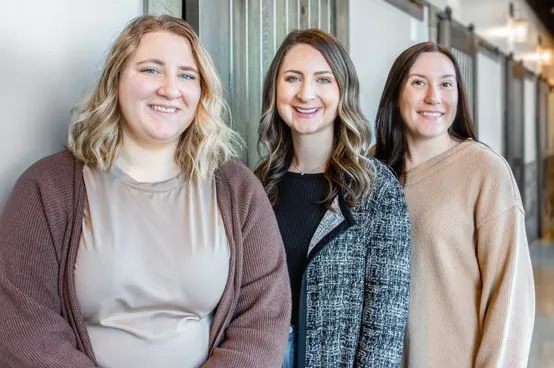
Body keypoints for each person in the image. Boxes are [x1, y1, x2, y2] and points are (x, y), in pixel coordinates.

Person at [0, 15, 290, 368]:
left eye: (187, 75)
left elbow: (263, 318)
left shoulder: (238, 189)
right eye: (151, 70)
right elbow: (23, 326)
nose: (170, 89)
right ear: (116, 79)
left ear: (202, 93)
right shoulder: (46, 187)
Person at [255, 29, 412, 368]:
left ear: (343, 90)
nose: (306, 93)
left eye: (323, 80)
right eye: (293, 78)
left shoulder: (375, 187)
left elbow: (385, 326)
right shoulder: (259, 183)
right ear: (274, 89)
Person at [373, 41, 535, 367]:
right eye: (419, 82)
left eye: (446, 84)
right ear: (395, 94)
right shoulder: (371, 171)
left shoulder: (485, 171)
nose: (434, 97)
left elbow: (511, 299)